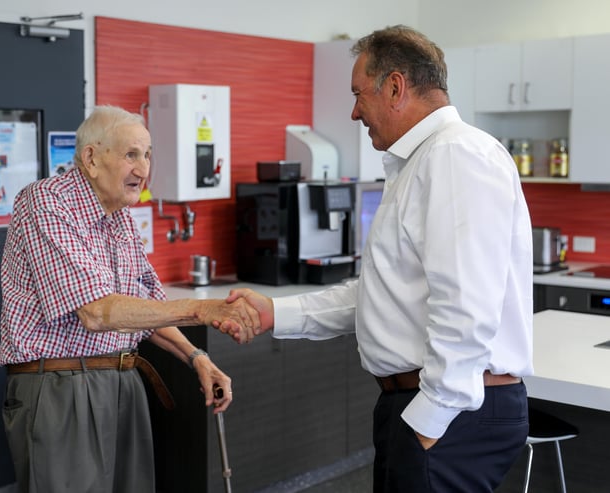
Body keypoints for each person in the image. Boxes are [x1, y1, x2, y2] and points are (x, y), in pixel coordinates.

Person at [226, 25, 534, 492]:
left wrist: (430, 419)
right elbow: (382, 293)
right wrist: (277, 312)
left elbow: (466, 306)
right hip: (424, 408)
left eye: (358, 94)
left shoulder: (454, 156)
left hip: (448, 412)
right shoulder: (419, 163)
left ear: (395, 86)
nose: (354, 112)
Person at [0, 105, 259, 493]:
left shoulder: (118, 217)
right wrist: (202, 309)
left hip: (122, 381)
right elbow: (98, 312)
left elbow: (145, 305)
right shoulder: (47, 203)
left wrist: (196, 357)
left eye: (148, 154)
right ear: (91, 158)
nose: (144, 168)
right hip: (60, 385)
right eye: (131, 154)